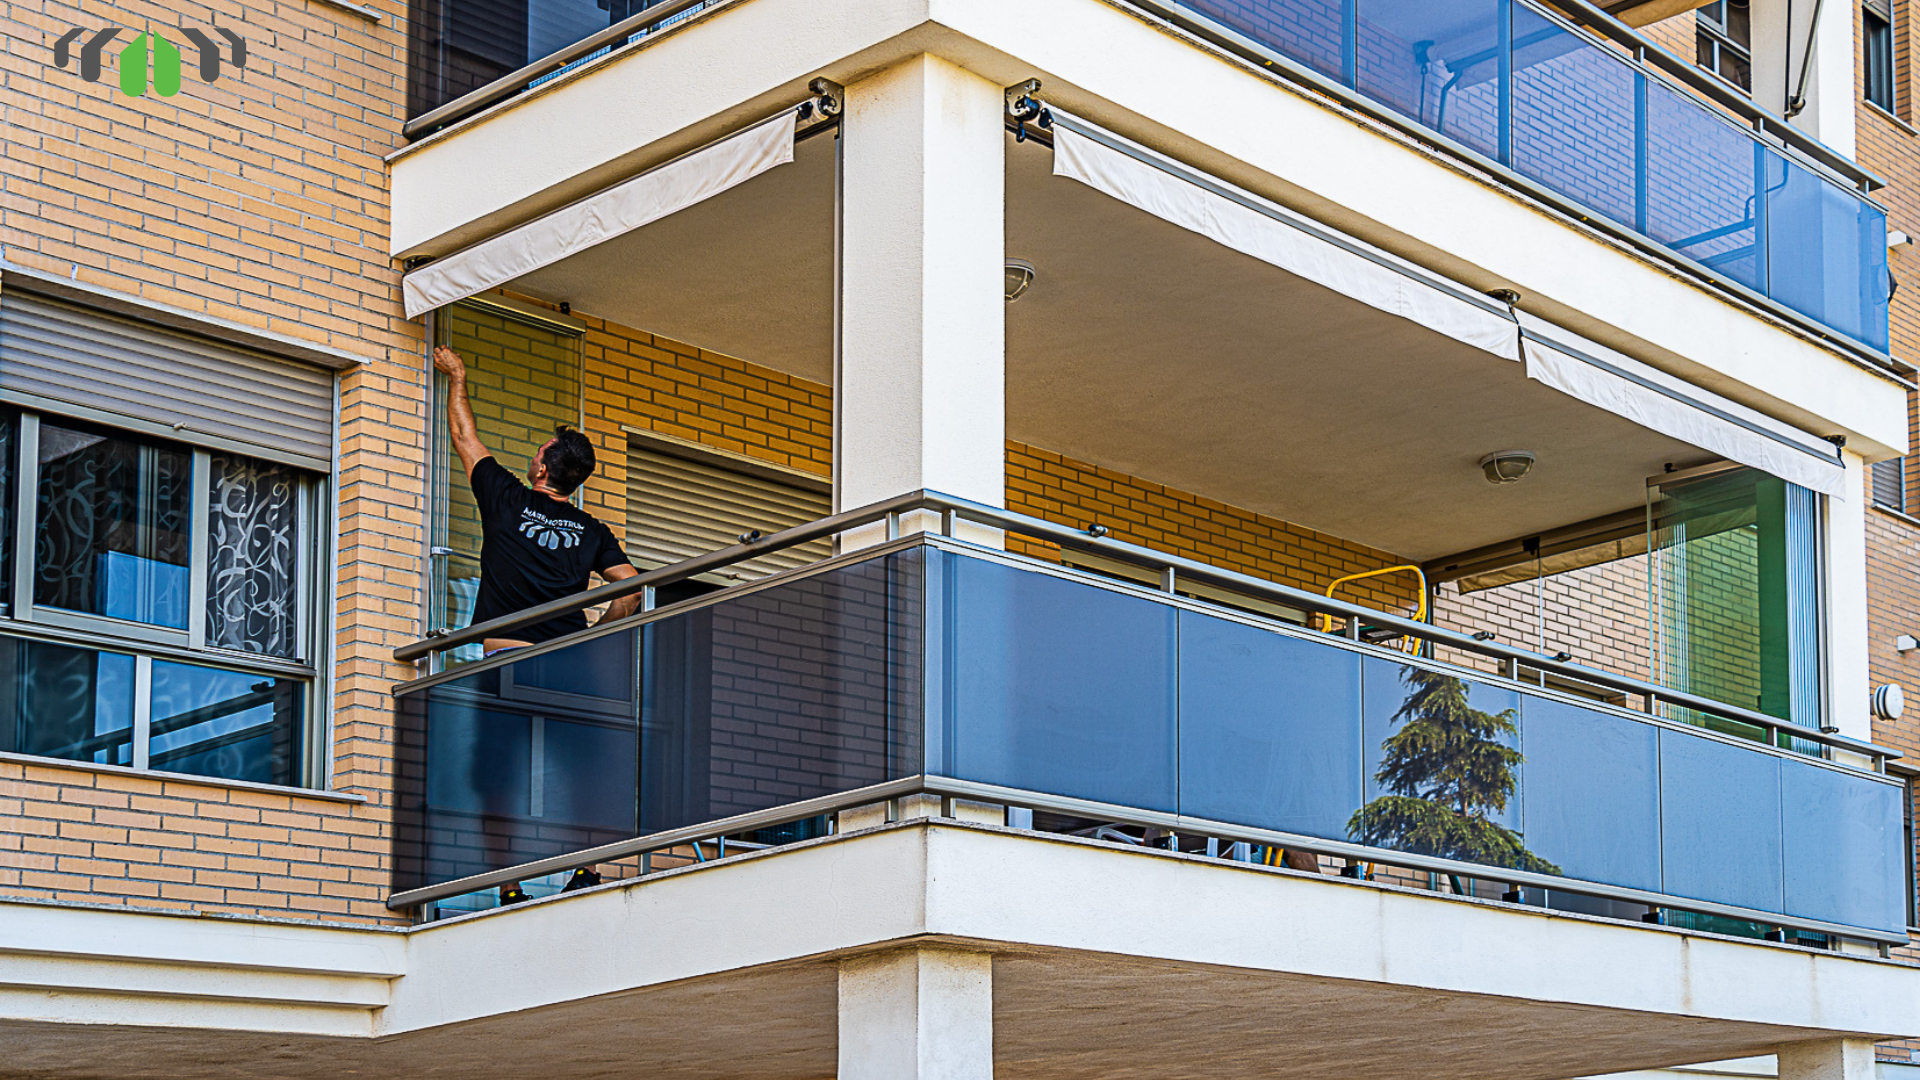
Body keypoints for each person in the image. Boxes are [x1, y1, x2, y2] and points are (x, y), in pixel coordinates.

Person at [433, 344, 641, 905]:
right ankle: (588, 869)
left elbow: (462, 435)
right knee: (579, 769)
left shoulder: (505, 498)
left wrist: (459, 374)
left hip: (508, 662)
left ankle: (508, 884)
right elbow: (632, 586)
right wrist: (599, 630)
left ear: (544, 467)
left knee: (500, 777)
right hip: (568, 662)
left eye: (539, 451)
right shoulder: (591, 529)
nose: (534, 455)